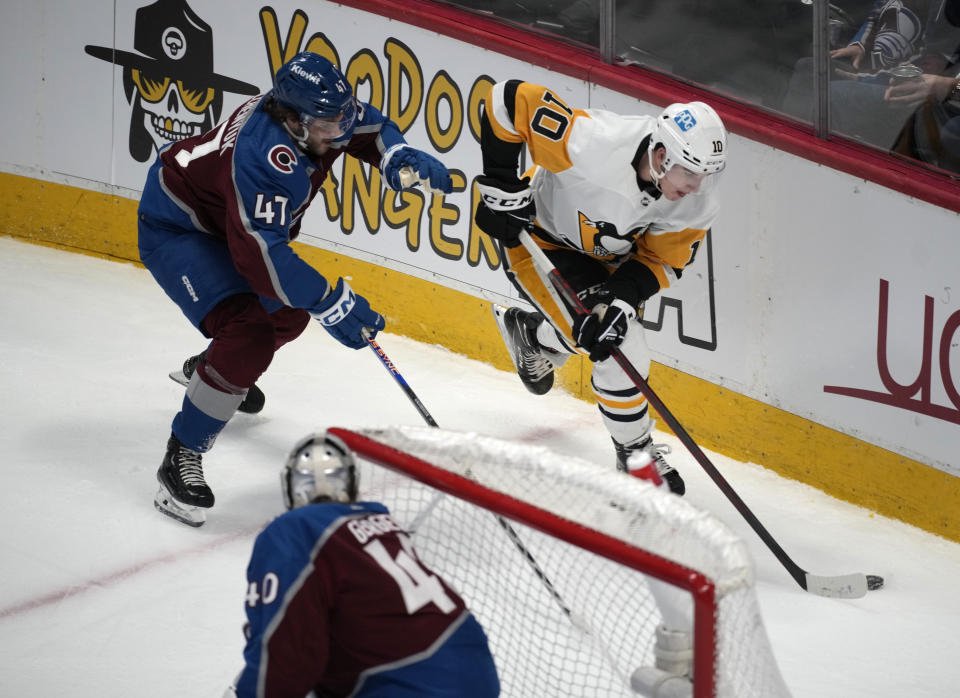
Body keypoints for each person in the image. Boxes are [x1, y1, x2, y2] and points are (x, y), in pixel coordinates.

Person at [139, 51, 453, 527]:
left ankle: (211, 372)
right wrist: (333, 300)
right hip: (178, 228)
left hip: (227, 225)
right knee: (249, 333)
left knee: (287, 315)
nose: (343, 129)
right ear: (292, 121)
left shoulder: (316, 114)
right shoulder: (264, 157)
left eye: (344, 113)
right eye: (331, 122)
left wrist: (395, 154)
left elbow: (369, 127)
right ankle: (180, 456)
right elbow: (261, 258)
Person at [476, 80, 727, 496]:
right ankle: (636, 457)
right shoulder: (592, 144)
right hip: (541, 239)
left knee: (602, 334)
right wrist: (501, 183)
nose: (698, 186)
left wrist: (621, 300)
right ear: (661, 156)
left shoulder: (696, 199)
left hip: (610, 263)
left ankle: (533, 336)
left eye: (706, 174)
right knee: (619, 348)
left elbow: (661, 260)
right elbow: (508, 98)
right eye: (691, 172)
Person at [224, 432, 501, 697]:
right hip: (474, 660)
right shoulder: (381, 523)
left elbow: (287, 658)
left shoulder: (293, 528)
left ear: (289, 487)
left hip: (411, 681)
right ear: (352, 483)